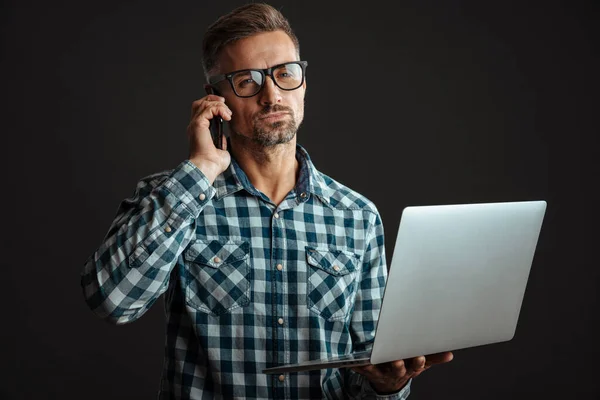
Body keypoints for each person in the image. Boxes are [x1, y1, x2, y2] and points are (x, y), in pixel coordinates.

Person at [80, 3, 453, 399]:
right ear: (214, 99)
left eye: (285, 74)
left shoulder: (357, 216)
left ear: (304, 83)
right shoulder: (174, 197)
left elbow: (366, 371)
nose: (272, 95)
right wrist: (202, 169)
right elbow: (112, 301)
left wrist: (388, 386)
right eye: (246, 81)